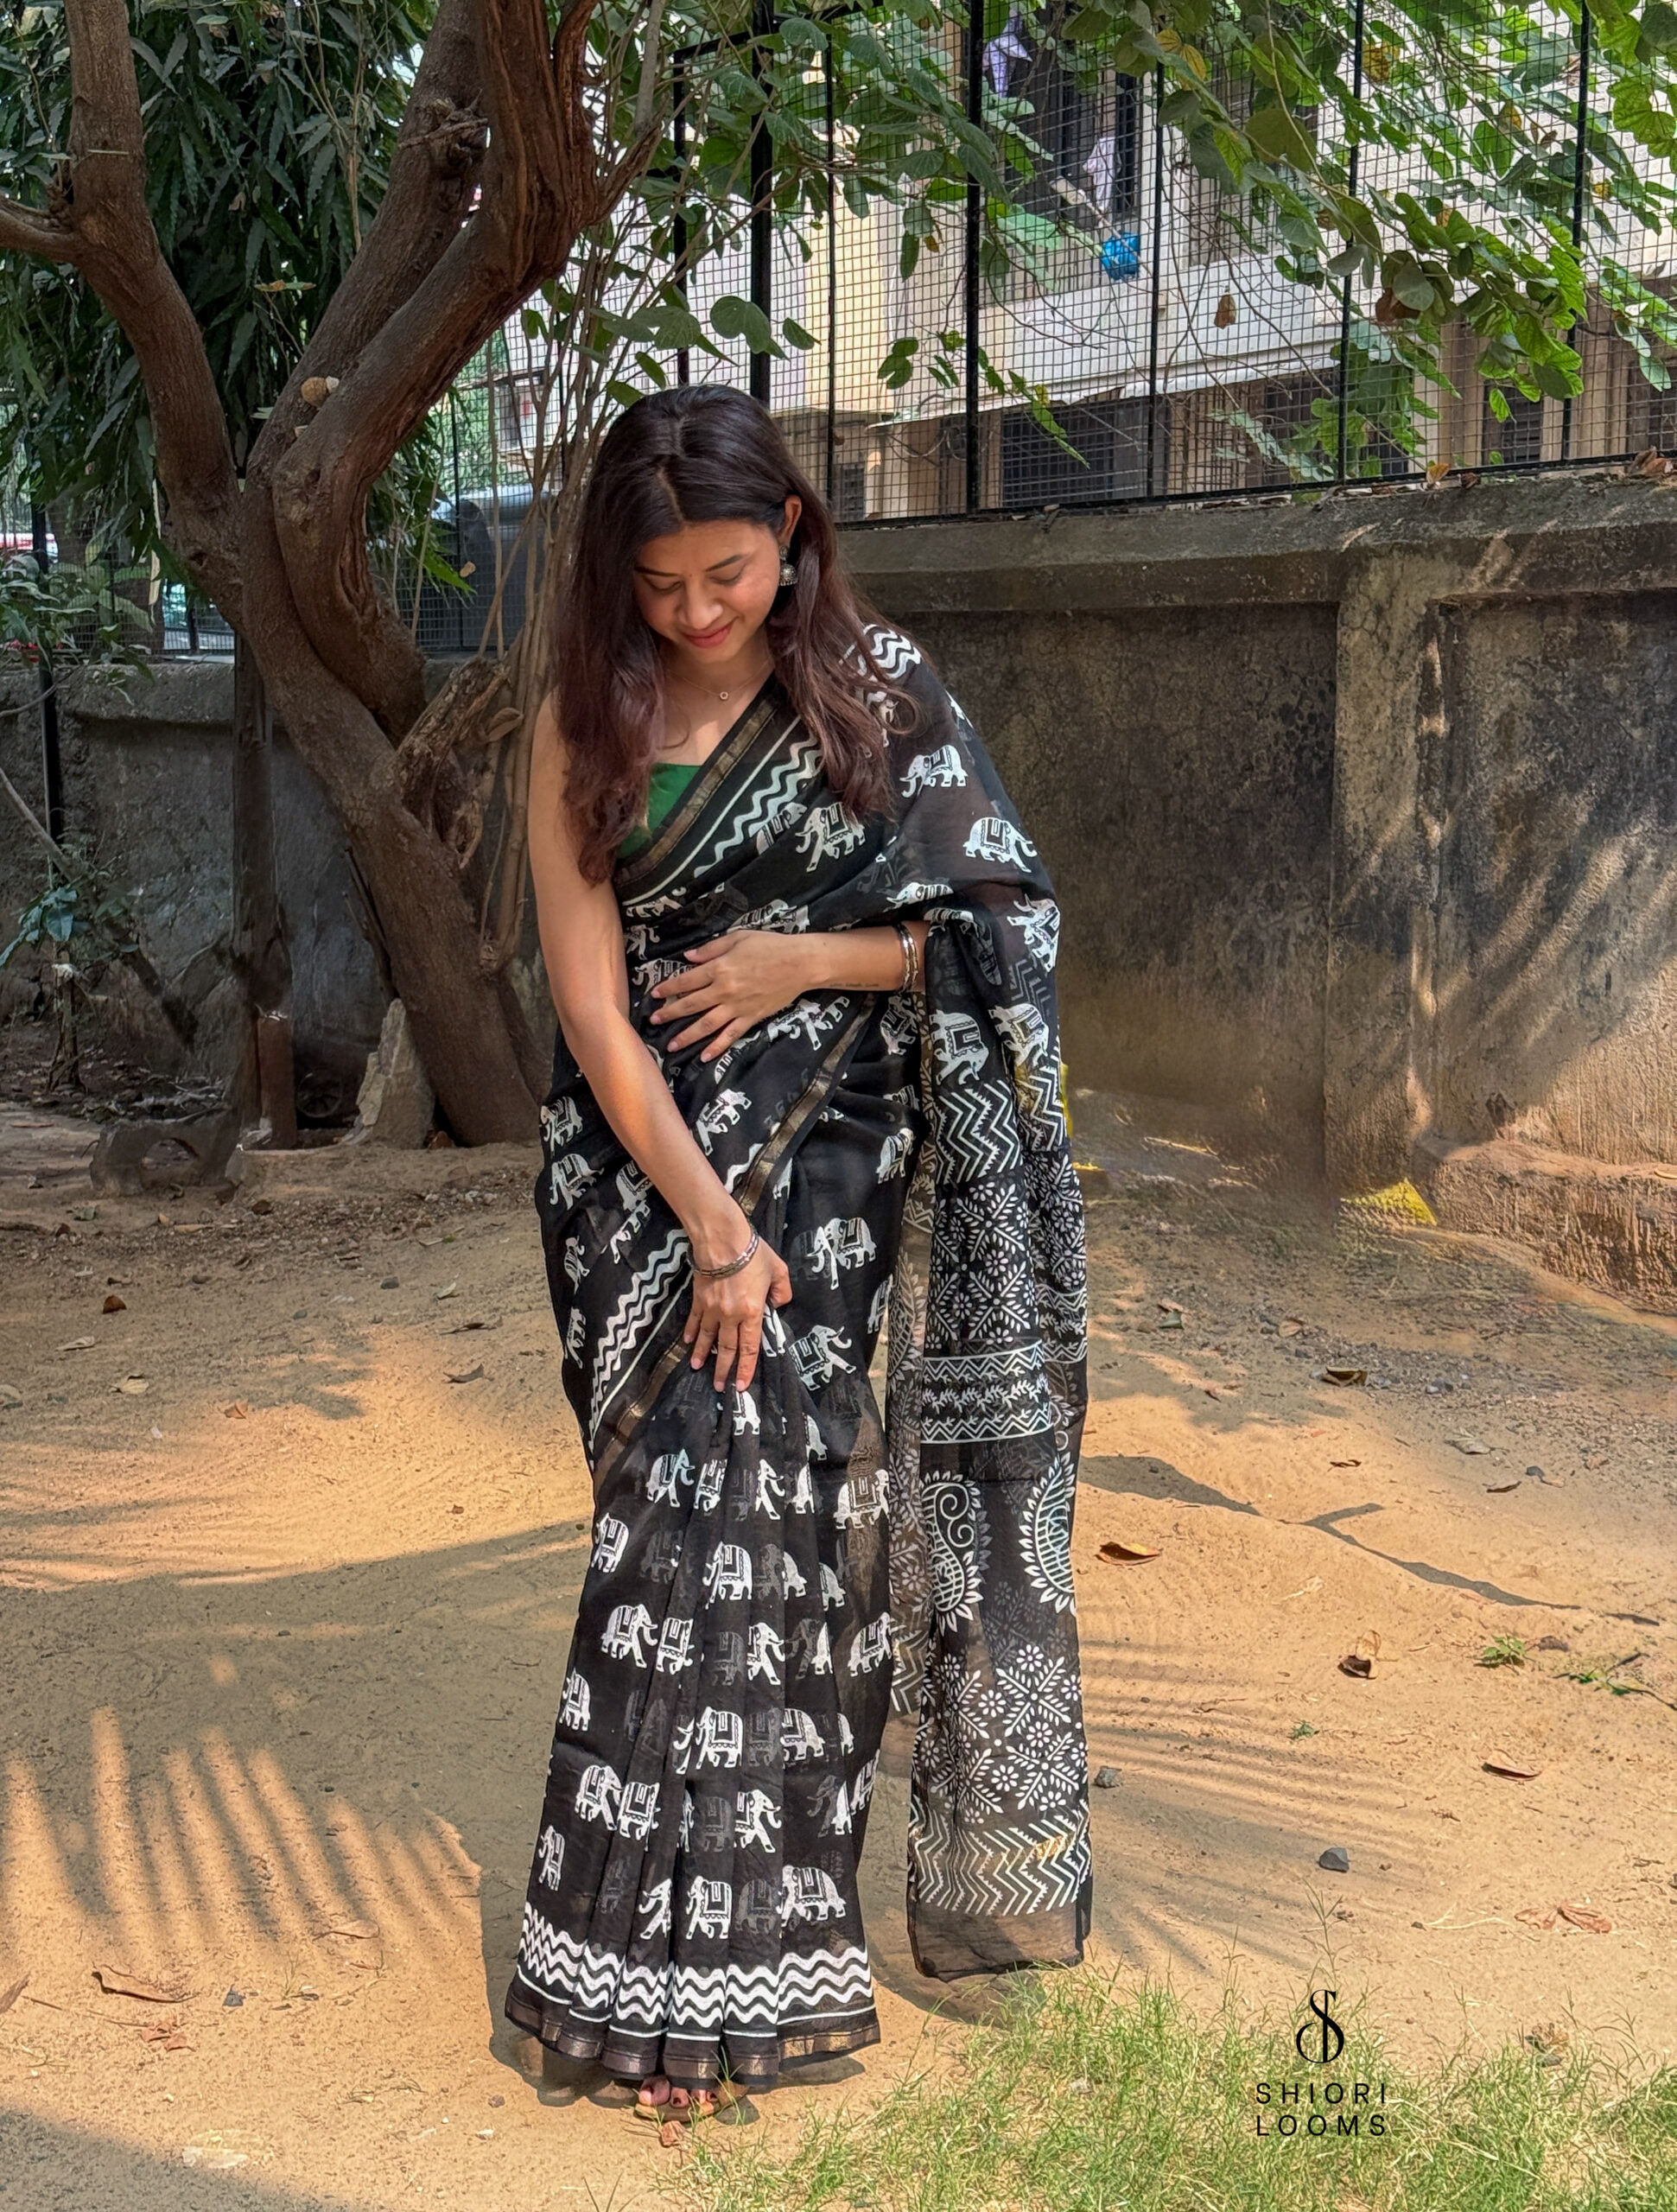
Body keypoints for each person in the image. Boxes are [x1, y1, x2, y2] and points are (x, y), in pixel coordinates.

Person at [504, 384, 1091, 2133]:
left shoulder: (874, 695)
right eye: (665, 582)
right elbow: (596, 1016)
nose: (698, 613)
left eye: (731, 573)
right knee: (668, 1525)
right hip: (644, 1176)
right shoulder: (573, 721)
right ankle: (636, 1986)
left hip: (833, 1153)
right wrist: (705, 1224)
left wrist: (797, 961)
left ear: (793, 543)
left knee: (771, 1537)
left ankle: (738, 1980)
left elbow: (999, 939)